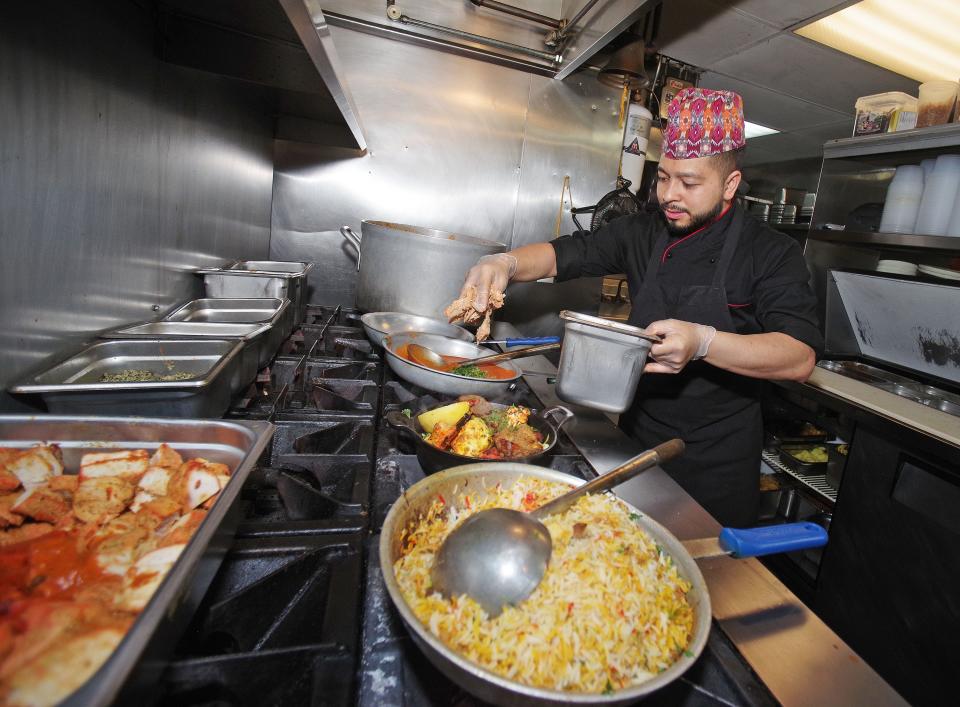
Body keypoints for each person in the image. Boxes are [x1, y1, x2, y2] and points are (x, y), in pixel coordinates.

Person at [452, 88, 823, 527]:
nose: (670, 194)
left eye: (689, 183)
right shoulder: (644, 231)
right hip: (634, 440)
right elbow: (564, 254)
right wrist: (506, 262)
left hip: (716, 463)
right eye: (663, 177)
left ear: (730, 184)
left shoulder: (771, 252)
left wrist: (704, 342)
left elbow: (798, 356)